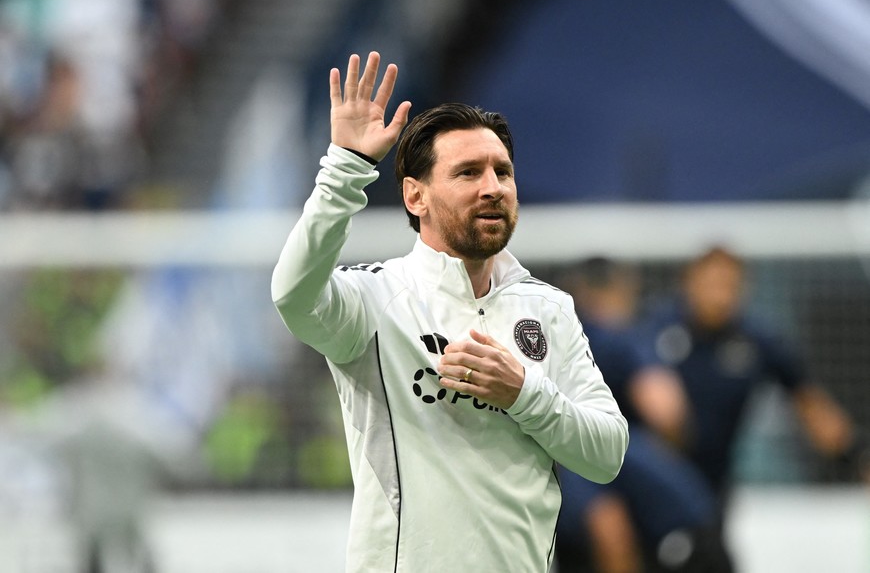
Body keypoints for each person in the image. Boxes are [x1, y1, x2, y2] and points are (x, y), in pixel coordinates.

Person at [270, 51, 628, 572]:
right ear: (415, 197)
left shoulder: (548, 308)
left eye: (502, 171)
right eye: (468, 173)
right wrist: (345, 169)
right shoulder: (376, 300)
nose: (493, 187)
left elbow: (608, 455)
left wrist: (523, 393)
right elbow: (293, 294)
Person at [555, 258, 732, 573]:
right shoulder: (621, 340)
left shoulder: (580, 445)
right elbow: (668, 414)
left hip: (681, 544)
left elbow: (610, 532)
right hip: (692, 521)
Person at [649, 246, 869, 499]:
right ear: (689, 283)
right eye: (712, 284)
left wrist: (857, 454)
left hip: (715, 481)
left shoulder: (757, 341)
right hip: (654, 474)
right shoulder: (655, 329)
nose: (720, 296)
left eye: (729, 286)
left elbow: (810, 405)